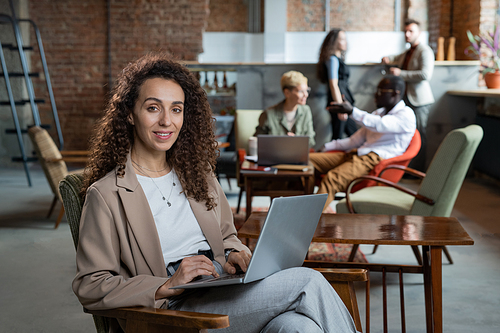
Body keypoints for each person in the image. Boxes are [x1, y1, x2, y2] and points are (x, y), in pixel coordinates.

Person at [73, 53, 359, 333]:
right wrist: (166, 285)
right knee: (308, 282)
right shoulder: (108, 194)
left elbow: (227, 238)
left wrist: (235, 255)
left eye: (176, 109)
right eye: (152, 108)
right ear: (130, 115)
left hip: (221, 288)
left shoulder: (198, 176)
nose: (166, 121)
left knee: (299, 326)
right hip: (174, 311)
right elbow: (91, 284)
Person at [310, 75, 416, 211]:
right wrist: (325, 147)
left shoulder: (406, 115)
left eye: (380, 91)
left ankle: (309, 219)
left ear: (396, 93)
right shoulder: (378, 112)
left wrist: (352, 111)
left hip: (373, 159)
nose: (375, 95)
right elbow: (354, 140)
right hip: (357, 153)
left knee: (333, 178)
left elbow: (380, 125)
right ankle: (298, 206)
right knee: (306, 161)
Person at [382, 18, 434, 171]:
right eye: (405, 31)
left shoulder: (425, 51)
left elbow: (425, 75)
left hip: (419, 101)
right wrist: (387, 59)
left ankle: (417, 171)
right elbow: (395, 58)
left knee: (419, 137)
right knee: (407, 135)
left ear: (419, 33)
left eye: (411, 31)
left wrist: (401, 74)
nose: (407, 34)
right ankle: (406, 169)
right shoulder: (407, 52)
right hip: (406, 100)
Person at [254, 70, 316, 148]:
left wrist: (297, 141)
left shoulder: (306, 111)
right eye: (301, 91)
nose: (306, 95)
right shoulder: (268, 114)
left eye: (307, 90)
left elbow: (311, 141)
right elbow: (257, 142)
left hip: (298, 157)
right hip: (274, 157)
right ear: (287, 93)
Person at [317, 28, 357, 140]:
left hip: (343, 102)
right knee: (339, 135)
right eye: (342, 39)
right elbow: (333, 84)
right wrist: (340, 107)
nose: (346, 42)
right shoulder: (332, 60)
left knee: (350, 134)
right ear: (334, 42)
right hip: (338, 102)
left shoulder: (337, 59)